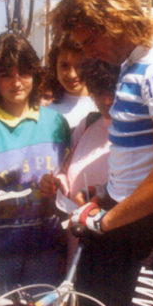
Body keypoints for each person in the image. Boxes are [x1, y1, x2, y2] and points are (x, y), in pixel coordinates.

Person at [50, 0, 153, 305]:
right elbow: (135, 162)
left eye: (91, 40)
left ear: (117, 19)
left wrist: (105, 222)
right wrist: (103, 200)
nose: (88, 53)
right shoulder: (134, 63)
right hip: (128, 224)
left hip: (151, 232)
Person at [0, 32, 70, 295]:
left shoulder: (56, 124)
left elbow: (70, 186)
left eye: (24, 72)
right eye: (6, 75)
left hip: (48, 255)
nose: (16, 83)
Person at [40, 59, 119, 265]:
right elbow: (65, 171)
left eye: (114, 92)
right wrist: (56, 182)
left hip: (117, 241)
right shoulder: (88, 123)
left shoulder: (142, 132)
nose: (107, 100)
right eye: (99, 93)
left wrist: (101, 197)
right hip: (77, 238)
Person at [46, 34, 97, 130]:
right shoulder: (48, 115)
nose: (72, 74)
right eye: (64, 65)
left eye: (80, 66)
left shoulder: (105, 107)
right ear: (55, 66)